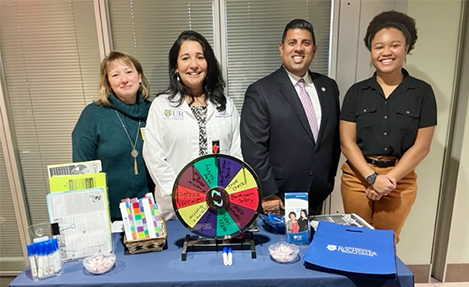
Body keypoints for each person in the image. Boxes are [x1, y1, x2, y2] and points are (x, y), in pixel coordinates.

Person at [339, 10, 437, 244]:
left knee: (385, 242)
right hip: (358, 177)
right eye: (378, 46)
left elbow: (422, 146)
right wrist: (373, 178)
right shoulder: (357, 92)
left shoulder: (422, 92)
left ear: (406, 48)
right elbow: (347, 142)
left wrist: (387, 180)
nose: (386, 52)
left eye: (394, 45)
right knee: (356, 241)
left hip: (399, 179)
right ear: (371, 51)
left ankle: (382, 282)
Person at [240, 19, 340, 216]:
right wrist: (268, 193)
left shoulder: (328, 87)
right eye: (292, 42)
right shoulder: (261, 91)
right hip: (278, 199)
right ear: (281, 48)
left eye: (306, 43)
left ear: (314, 49)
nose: (299, 49)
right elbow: (254, 148)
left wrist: (328, 179)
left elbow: (333, 139)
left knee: (312, 245)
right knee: (281, 248)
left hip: (317, 194)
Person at [143, 31, 242, 219]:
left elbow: (235, 154)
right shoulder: (162, 106)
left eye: (200, 57)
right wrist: (183, 194)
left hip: (221, 204)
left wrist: (229, 190)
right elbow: (153, 155)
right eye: (185, 58)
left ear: (208, 64)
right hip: (176, 207)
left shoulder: (226, 105)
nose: (194, 65)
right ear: (176, 66)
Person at [72, 51, 154, 220]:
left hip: (152, 212)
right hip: (109, 216)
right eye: (115, 75)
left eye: (129, 72)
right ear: (108, 83)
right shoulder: (93, 115)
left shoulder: (155, 111)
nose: (124, 79)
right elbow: (82, 169)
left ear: (139, 77)